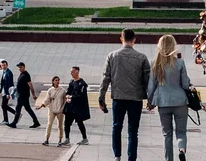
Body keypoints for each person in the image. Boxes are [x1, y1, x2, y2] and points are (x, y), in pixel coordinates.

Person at [98, 28, 151, 161]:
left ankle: (117, 156)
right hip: (135, 99)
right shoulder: (142, 58)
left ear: (121, 39)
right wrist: (151, 99)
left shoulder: (112, 56)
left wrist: (101, 97)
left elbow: (106, 78)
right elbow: (148, 82)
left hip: (118, 97)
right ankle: (131, 158)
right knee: (133, 131)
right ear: (134, 40)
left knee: (117, 126)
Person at [147, 35, 192, 161]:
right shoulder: (180, 62)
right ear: (173, 46)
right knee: (181, 132)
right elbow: (185, 84)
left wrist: (150, 101)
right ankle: (181, 150)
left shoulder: (155, 64)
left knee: (167, 134)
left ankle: (168, 159)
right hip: (180, 102)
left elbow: (151, 86)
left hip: (163, 102)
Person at [36, 76, 68, 147]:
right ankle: (47, 139)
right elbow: (47, 99)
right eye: (56, 80)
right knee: (49, 124)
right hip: (51, 109)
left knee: (60, 126)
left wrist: (63, 109)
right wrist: (42, 105)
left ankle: (60, 140)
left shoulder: (62, 90)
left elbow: (65, 100)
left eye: (58, 80)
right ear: (53, 81)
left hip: (60, 110)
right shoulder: (50, 90)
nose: (57, 82)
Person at [6, 61, 40, 128]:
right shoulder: (22, 74)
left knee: (18, 108)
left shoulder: (26, 75)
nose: (19, 68)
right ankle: (36, 122)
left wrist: (33, 95)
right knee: (27, 108)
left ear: (24, 67)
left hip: (23, 95)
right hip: (21, 95)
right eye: (19, 67)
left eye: (21, 67)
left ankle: (14, 123)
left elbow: (31, 85)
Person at [64, 66, 91, 146]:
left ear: (77, 72)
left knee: (80, 123)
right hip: (70, 106)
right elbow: (68, 92)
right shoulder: (71, 82)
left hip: (78, 107)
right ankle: (67, 139)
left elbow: (82, 96)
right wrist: (67, 96)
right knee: (66, 123)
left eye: (73, 72)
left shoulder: (82, 84)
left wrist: (72, 97)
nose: (71, 73)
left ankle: (85, 139)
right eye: (71, 72)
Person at [0, 60, 15, 126]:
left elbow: (10, 84)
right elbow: (3, 83)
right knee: (4, 106)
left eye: (4, 65)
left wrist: (8, 94)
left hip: (7, 92)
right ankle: (6, 119)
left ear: (7, 65)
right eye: (2, 65)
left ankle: (7, 119)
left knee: (4, 105)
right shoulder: (4, 72)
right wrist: (2, 91)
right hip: (4, 91)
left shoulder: (9, 73)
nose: (3, 66)